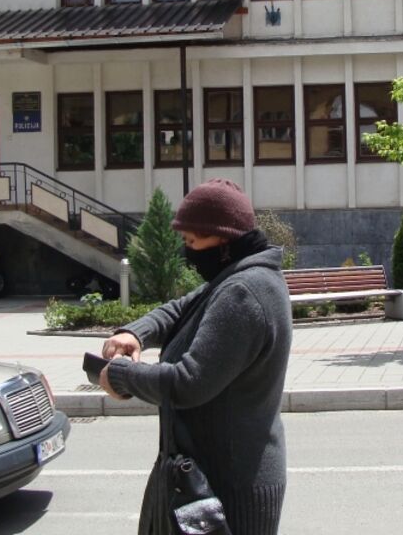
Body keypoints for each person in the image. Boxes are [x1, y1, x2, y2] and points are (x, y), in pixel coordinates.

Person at [99, 179, 292, 535]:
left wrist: (122, 375)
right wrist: (134, 333)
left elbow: (189, 382)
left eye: (192, 242)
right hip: (206, 477)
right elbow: (181, 309)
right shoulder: (234, 276)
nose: (187, 251)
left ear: (223, 240)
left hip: (229, 487)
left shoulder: (243, 292)